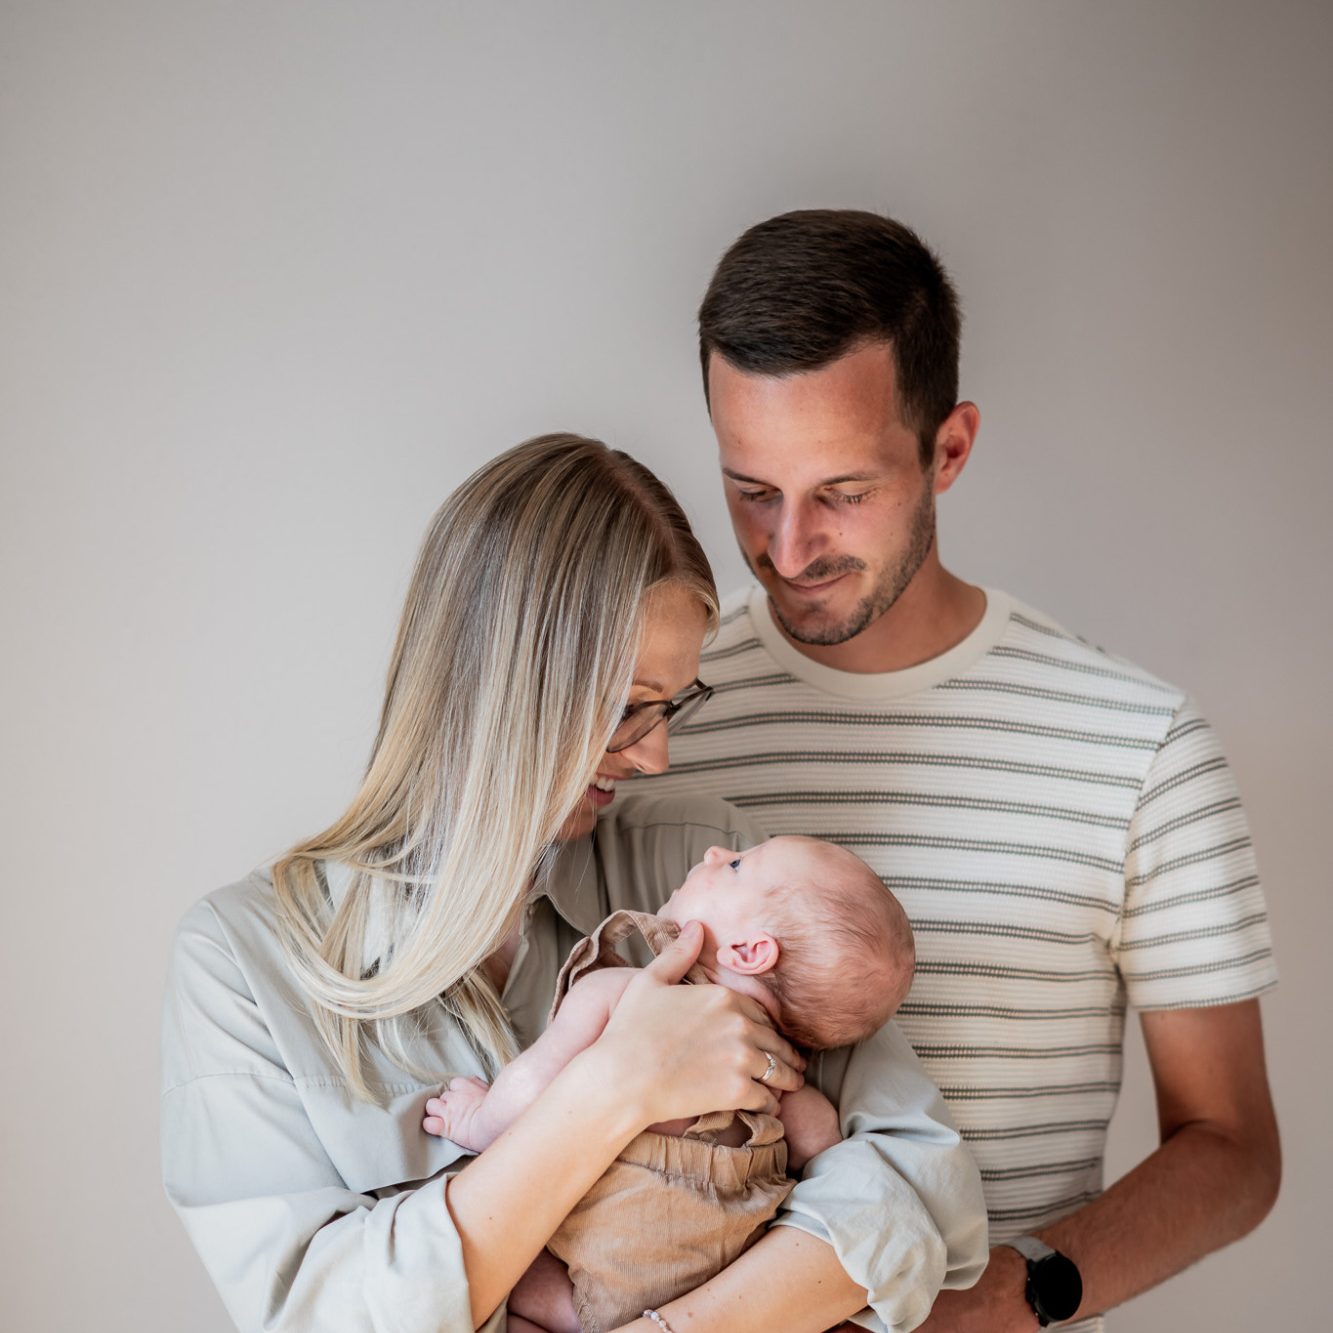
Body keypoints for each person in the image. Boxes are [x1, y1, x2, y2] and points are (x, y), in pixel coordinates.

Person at [160, 433, 989, 1333]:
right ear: (498, 682)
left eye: (669, 705)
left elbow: (919, 1195)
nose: (656, 754)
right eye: (627, 707)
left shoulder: (709, 866)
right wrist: (615, 1085)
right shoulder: (244, 964)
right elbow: (317, 1314)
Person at [632, 210, 1282, 1332]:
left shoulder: (1139, 747)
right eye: (752, 489)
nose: (789, 549)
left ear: (949, 448)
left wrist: (1012, 1296)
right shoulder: (651, 717)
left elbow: (1231, 1148)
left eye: (843, 491)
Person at [422, 835, 917, 1333]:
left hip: (596, 1283)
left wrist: (477, 1120)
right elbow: (822, 1144)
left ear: (749, 951)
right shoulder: (780, 1083)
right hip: (730, 1288)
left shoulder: (618, 996)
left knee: (493, 1290)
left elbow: (533, 1085)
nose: (714, 853)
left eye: (737, 866)